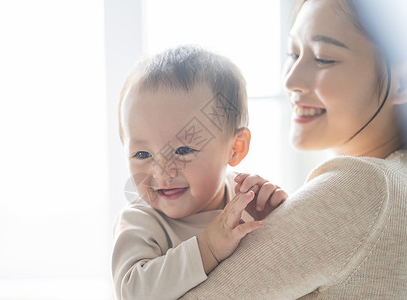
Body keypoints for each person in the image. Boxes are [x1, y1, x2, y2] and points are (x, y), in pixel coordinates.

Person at [180, 0, 407, 299]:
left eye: (324, 58)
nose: (291, 80)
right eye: (293, 53)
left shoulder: (365, 185)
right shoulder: (394, 179)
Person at [112, 46, 288, 300]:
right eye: (142, 154)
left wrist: (275, 220)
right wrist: (207, 249)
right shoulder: (141, 221)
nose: (162, 172)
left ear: (235, 148)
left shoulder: (247, 199)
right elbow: (133, 292)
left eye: (183, 150)